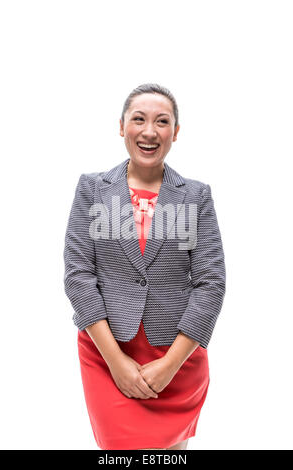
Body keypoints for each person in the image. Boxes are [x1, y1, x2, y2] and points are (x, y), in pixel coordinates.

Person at [63, 83, 226, 450]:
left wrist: (169, 365)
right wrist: (117, 362)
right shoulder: (92, 190)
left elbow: (211, 283)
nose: (149, 131)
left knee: (170, 452)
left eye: (162, 121)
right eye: (139, 119)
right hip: (106, 352)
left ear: (176, 132)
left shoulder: (196, 196)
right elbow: (78, 276)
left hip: (176, 355)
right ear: (122, 126)